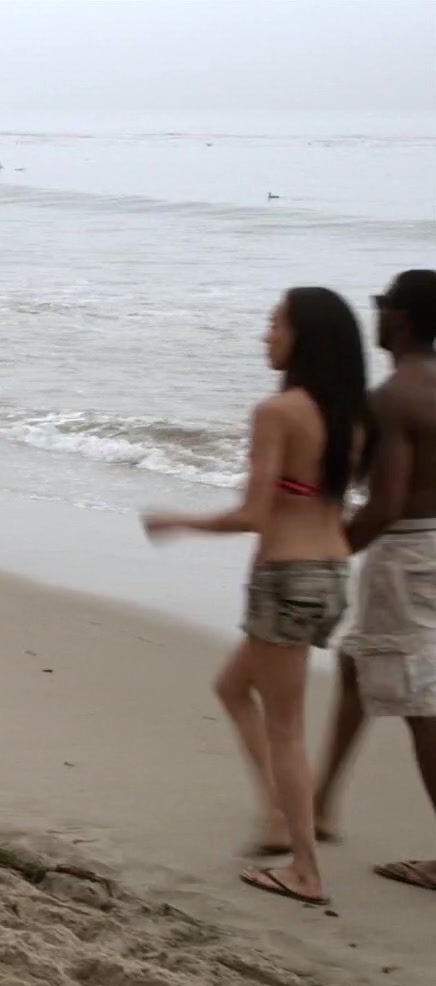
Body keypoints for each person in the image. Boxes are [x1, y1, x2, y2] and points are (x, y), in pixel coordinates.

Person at [143, 287, 372, 906]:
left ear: (305, 338)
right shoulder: (353, 416)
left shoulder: (278, 412)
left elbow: (253, 514)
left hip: (286, 579)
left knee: (287, 730)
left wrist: (178, 521)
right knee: (231, 686)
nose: (265, 335)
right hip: (331, 576)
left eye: (275, 324)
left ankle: (304, 869)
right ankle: (275, 814)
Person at [314, 269, 436, 894]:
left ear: (402, 319)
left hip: (406, 555)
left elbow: (385, 505)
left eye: (382, 304)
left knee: (420, 707)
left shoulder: (393, 398)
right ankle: (320, 801)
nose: (377, 314)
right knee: (356, 665)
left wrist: (323, 552)